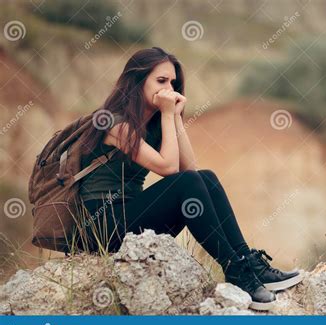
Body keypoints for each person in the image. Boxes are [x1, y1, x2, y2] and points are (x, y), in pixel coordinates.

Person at [78, 47, 302, 311]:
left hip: (129, 214)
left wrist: (175, 120)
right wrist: (168, 114)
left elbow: (191, 170)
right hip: (101, 226)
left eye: (173, 83)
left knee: (206, 178)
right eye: (161, 81)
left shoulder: (149, 125)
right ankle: (235, 270)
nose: (170, 89)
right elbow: (170, 170)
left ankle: (246, 262)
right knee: (188, 183)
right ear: (137, 82)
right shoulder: (114, 123)